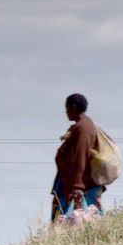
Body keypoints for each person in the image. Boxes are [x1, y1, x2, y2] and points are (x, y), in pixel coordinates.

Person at [51, 93, 103, 222]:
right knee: (78, 217)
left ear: (74, 107)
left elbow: (81, 157)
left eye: (67, 108)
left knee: (81, 217)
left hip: (81, 184)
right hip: (72, 181)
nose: (66, 111)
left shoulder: (84, 128)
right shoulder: (79, 126)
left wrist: (77, 187)